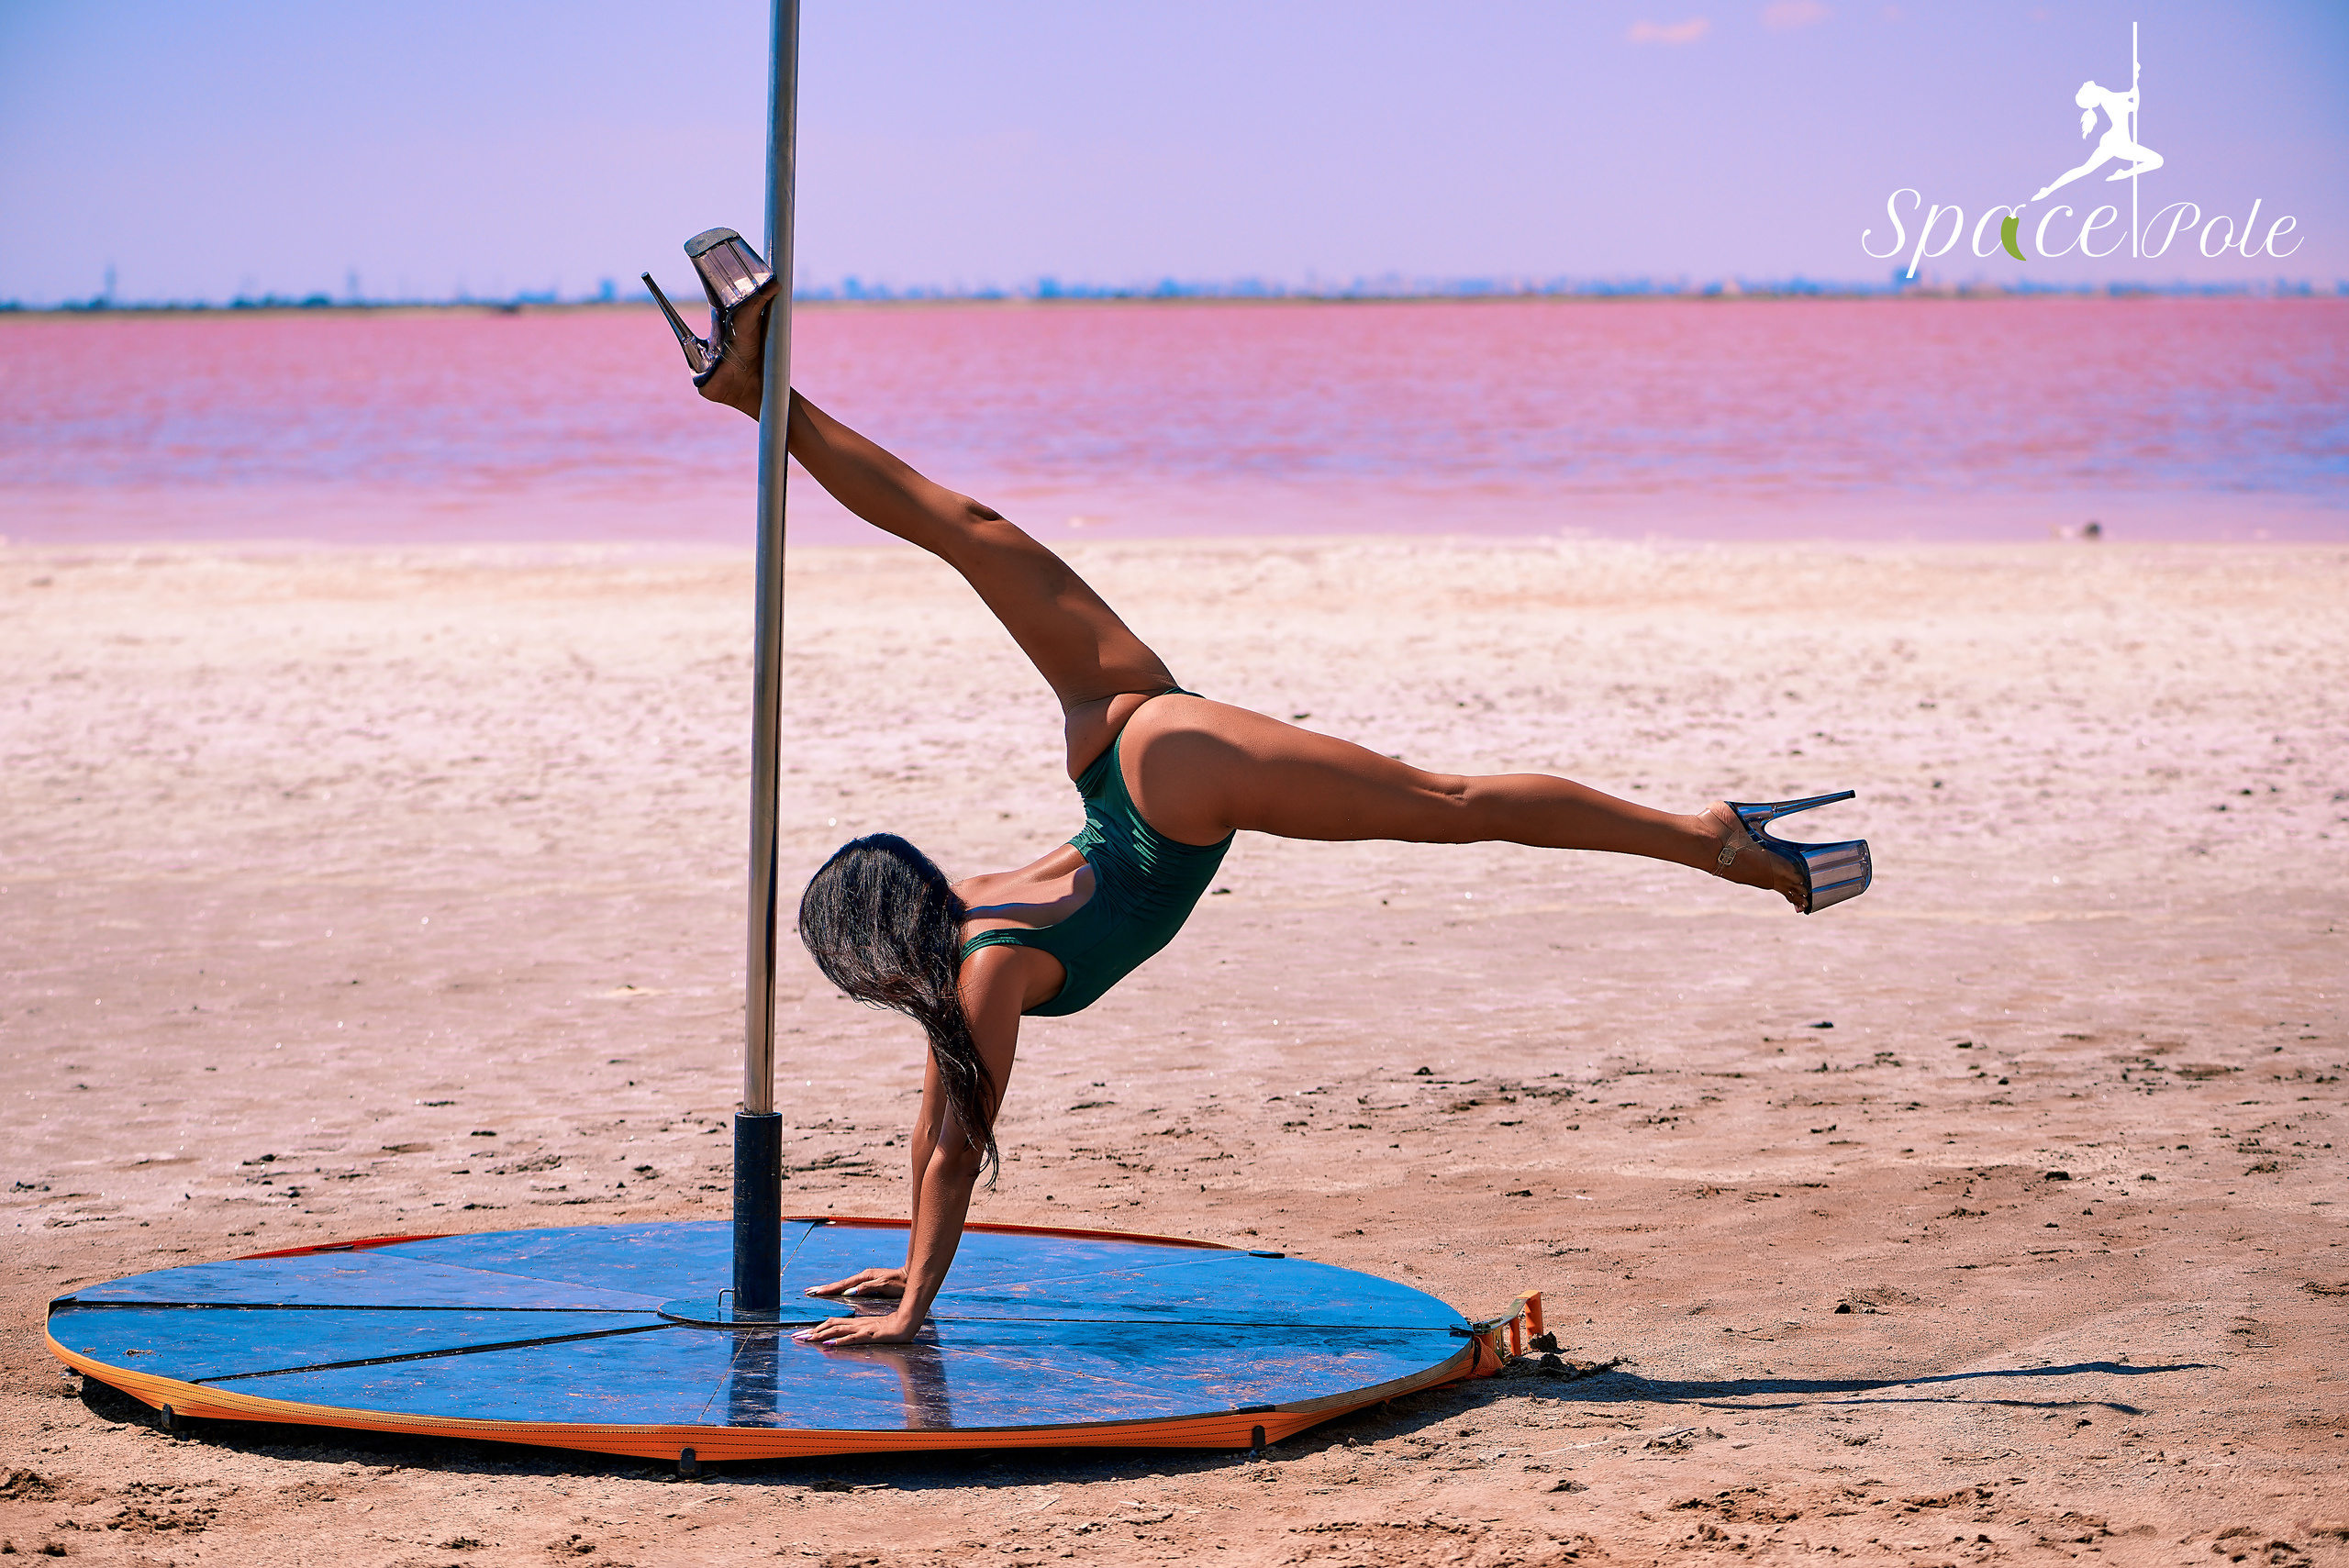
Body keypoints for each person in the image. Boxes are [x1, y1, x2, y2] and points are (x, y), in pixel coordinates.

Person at [646, 231, 1871, 1347]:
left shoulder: (980, 978)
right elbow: (934, 1129)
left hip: (1173, 790)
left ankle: (1712, 837)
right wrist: (896, 1260)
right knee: (965, 529)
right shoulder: (961, 934)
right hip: (1116, 754)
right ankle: (763, 395)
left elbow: (958, 1148)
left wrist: (916, 1303)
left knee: (1449, 802)